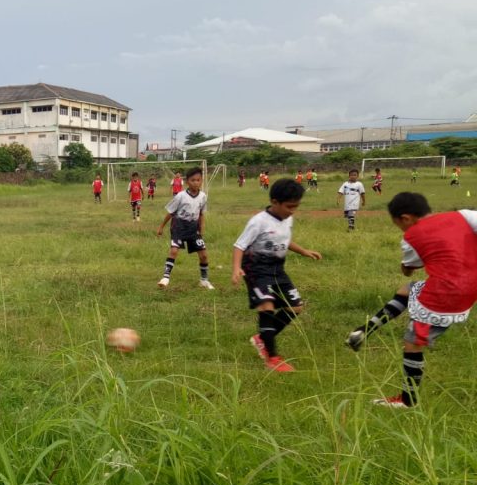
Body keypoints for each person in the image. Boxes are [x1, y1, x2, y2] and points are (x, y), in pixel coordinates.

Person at [344, 192, 477, 407]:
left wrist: (406, 265)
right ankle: (364, 330)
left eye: (398, 224)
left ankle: (407, 401)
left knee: (412, 343)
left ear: (405, 218)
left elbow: (409, 269)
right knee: (407, 290)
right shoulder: (463, 216)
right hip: (471, 285)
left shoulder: (411, 237)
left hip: (444, 294)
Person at [232, 179, 322, 373]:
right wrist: (236, 268)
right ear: (274, 202)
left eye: (296, 206)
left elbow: (285, 240)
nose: (292, 211)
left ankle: (262, 338)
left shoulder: (288, 219)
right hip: (256, 269)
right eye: (289, 206)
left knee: (295, 307)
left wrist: (304, 251)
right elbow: (239, 245)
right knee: (267, 305)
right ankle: (272, 358)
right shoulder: (258, 221)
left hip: (277, 270)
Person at [156, 166, 214, 290]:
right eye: (193, 180)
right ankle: (165, 278)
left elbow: (202, 214)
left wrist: (201, 229)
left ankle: (204, 280)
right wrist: (161, 227)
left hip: (193, 229)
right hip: (179, 227)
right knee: (174, 251)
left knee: (203, 255)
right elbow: (170, 213)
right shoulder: (180, 196)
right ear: (187, 181)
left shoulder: (203, 196)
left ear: (201, 181)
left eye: (198, 180)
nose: (196, 182)